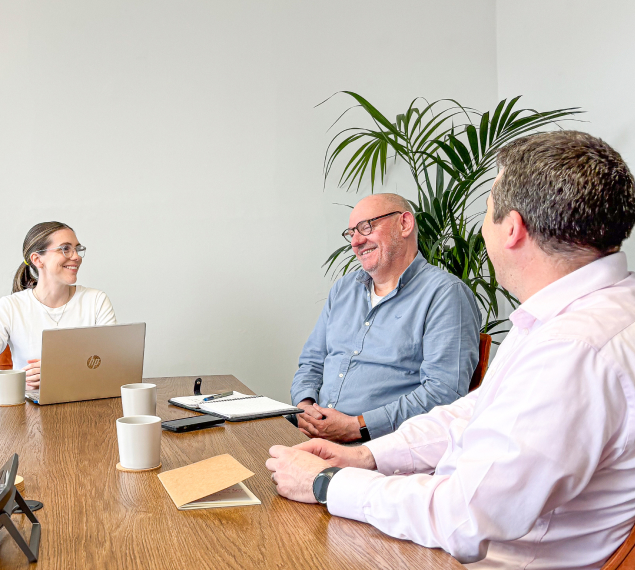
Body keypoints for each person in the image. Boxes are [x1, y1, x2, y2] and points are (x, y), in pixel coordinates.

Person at [267, 131, 635, 569]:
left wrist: (329, 482)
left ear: (512, 228)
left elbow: (465, 518)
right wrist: (365, 456)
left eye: (487, 210)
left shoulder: (574, 350)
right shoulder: (566, 317)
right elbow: (474, 411)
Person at [291, 193, 480, 442]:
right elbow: (312, 362)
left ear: (404, 224)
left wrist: (357, 426)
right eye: (351, 233)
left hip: (381, 452)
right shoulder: (344, 289)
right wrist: (305, 405)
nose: (356, 241)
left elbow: (443, 393)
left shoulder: (445, 294)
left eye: (366, 227)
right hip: (314, 437)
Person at [0, 222, 116, 390]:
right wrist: (19, 379)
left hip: (87, 405)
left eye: (77, 249)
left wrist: (59, 370)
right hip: (29, 411)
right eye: (65, 249)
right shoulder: (10, 307)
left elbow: (114, 365)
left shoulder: (96, 300)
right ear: (37, 259)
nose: (76, 256)